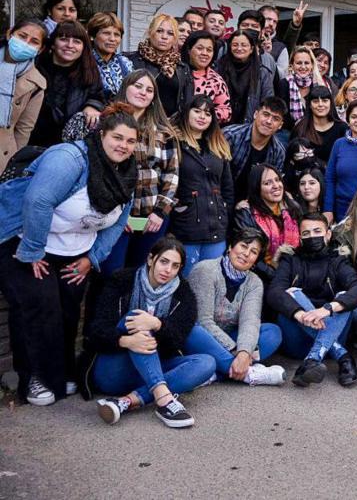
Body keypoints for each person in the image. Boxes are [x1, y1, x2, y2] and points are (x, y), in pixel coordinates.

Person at [0, 106, 137, 406]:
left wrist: (92, 258)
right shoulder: (69, 158)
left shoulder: (127, 173)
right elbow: (38, 201)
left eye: (129, 141)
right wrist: (32, 251)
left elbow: (118, 223)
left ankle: (59, 371)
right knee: (38, 305)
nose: (123, 146)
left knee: (68, 309)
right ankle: (33, 377)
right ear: (101, 134)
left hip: (74, 250)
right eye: (117, 137)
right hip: (25, 240)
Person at [84, 236, 215, 427]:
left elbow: (178, 339)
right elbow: (95, 332)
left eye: (175, 266)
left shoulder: (183, 292)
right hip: (113, 370)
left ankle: (126, 402)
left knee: (206, 363)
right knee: (136, 316)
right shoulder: (122, 281)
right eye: (164, 261)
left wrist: (157, 324)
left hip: (150, 369)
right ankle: (165, 401)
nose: (168, 270)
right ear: (150, 259)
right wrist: (126, 341)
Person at [83, 71, 179, 275]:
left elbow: (171, 174)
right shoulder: (108, 124)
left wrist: (160, 212)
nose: (143, 92)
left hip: (152, 218)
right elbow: (99, 171)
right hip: (114, 215)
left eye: (149, 90)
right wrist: (118, 215)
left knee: (141, 273)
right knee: (110, 273)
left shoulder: (163, 132)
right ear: (125, 87)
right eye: (137, 86)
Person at [267, 212, 357, 387]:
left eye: (317, 231)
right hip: (297, 339)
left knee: (344, 298)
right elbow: (274, 291)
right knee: (291, 292)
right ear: (300, 236)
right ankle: (343, 356)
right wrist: (300, 314)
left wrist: (327, 308)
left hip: (330, 331)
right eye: (306, 233)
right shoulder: (290, 259)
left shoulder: (338, 260)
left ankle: (313, 358)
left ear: (328, 234)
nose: (312, 237)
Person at [183, 227, 286, 386]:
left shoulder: (254, 282)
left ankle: (216, 373)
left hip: (230, 338)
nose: (246, 254)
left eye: (253, 251)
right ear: (231, 246)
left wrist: (244, 352)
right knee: (194, 330)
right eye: (243, 246)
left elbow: (249, 322)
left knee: (272, 332)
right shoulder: (206, 270)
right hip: (203, 340)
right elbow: (203, 321)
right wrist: (236, 350)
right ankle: (249, 374)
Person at [169, 94, 235, 278]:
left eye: (207, 113)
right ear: (187, 113)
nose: (202, 116)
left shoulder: (219, 145)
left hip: (216, 228)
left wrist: (224, 215)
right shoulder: (174, 143)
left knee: (210, 281)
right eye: (197, 111)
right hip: (186, 226)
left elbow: (228, 189)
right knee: (186, 280)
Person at [29, 20, 103, 146]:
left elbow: (98, 95)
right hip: (31, 140)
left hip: (68, 147)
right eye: (63, 39)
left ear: (83, 47)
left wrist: (92, 106)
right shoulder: (34, 67)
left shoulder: (89, 72)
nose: (70, 45)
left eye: (77, 41)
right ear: (53, 43)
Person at [234, 163, 302, 284]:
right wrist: (275, 275)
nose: (276, 186)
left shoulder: (293, 208)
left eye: (277, 180)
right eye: (267, 183)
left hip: (294, 274)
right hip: (260, 278)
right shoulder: (246, 213)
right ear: (257, 188)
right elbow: (249, 255)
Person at [0, 17, 47, 172]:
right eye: (22, 36)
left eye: (34, 41)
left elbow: (23, 129)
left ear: (40, 49)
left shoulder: (37, 83)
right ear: (9, 34)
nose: (25, 43)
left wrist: (13, 163)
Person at [223, 96, 288, 200]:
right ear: (255, 114)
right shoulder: (230, 136)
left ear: (280, 125)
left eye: (275, 119)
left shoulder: (278, 152)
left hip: (253, 204)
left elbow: (272, 188)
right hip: (220, 198)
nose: (269, 121)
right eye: (266, 115)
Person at [126, 14, 191, 117]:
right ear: (150, 32)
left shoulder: (182, 67)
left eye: (170, 33)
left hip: (171, 125)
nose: (164, 37)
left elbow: (186, 102)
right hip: (138, 119)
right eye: (159, 31)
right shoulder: (131, 60)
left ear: (175, 38)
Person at [215, 28, 275, 127]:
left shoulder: (262, 72)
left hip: (249, 127)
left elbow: (268, 102)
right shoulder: (219, 68)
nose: (239, 48)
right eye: (235, 45)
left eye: (244, 45)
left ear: (251, 49)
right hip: (220, 126)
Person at [181, 30, 231, 124]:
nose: (204, 53)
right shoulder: (175, 71)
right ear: (189, 50)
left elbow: (226, 112)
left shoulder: (216, 80)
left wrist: (203, 115)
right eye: (200, 48)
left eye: (209, 50)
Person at [293, 85, 346, 164]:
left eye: (325, 101)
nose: (320, 104)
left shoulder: (342, 128)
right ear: (310, 105)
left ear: (330, 103)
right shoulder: (300, 128)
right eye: (315, 101)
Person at [87, 12, 133, 102]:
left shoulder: (125, 63)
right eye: (106, 33)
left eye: (117, 35)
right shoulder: (84, 62)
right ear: (92, 36)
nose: (112, 39)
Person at [278, 46, 325, 127]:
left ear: (312, 65)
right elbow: (281, 114)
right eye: (299, 63)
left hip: (314, 132)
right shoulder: (284, 84)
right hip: (288, 133)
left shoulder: (318, 85)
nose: (303, 67)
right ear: (292, 65)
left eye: (306, 63)